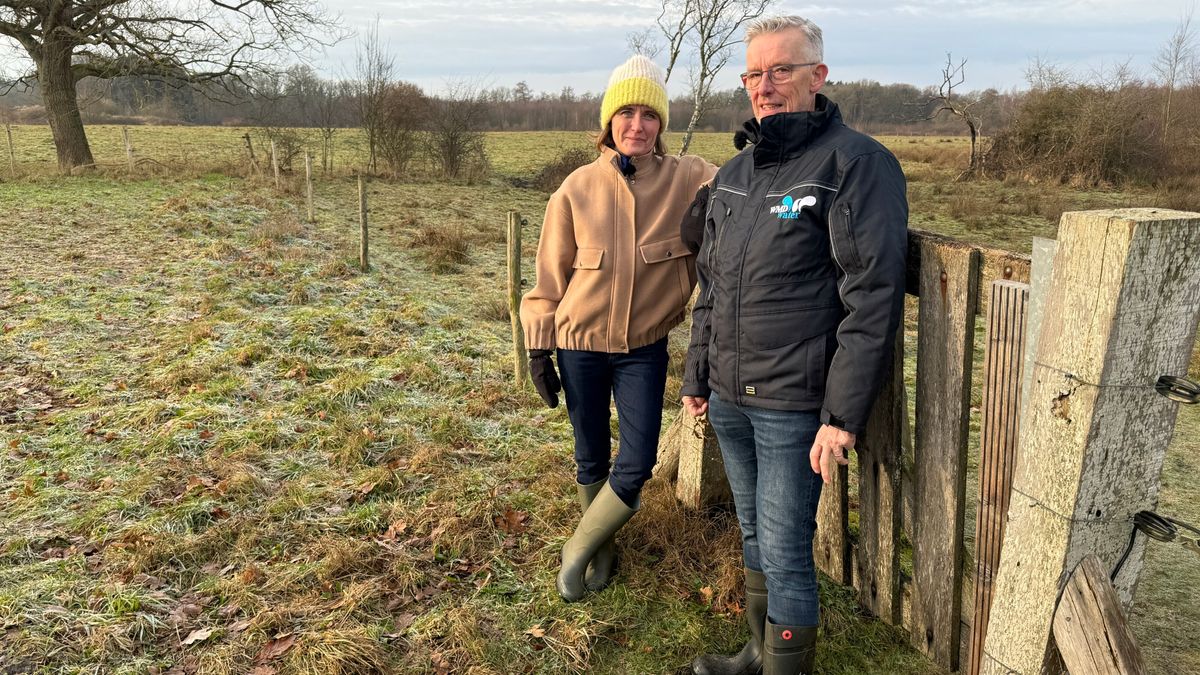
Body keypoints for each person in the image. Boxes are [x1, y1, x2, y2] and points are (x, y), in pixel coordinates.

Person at [681, 16, 908, 675]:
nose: (765, 86)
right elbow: (712, 284)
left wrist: (840, 417)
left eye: (781, 70)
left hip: (791, 405)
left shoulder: (856, 163)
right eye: (754, 73)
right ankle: (759, 653)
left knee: (784, 550)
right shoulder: (734, 173)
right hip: (728, 397)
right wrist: (697, 376)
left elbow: (872, 295)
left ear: (818, 75)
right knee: (753, 537)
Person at [520, 55, 717, 603]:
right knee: (590, 456)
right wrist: (539, 348)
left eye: (648, 115)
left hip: (643, 350)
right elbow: (547, 279)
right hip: (578, 346)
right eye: (625, 113)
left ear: (661, 124)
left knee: (637, 460)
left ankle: (578, 549)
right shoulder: (576, 189)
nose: (637, 125)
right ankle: (604, 548)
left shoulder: (689, 178)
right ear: (609, 122)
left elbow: (748, 186)